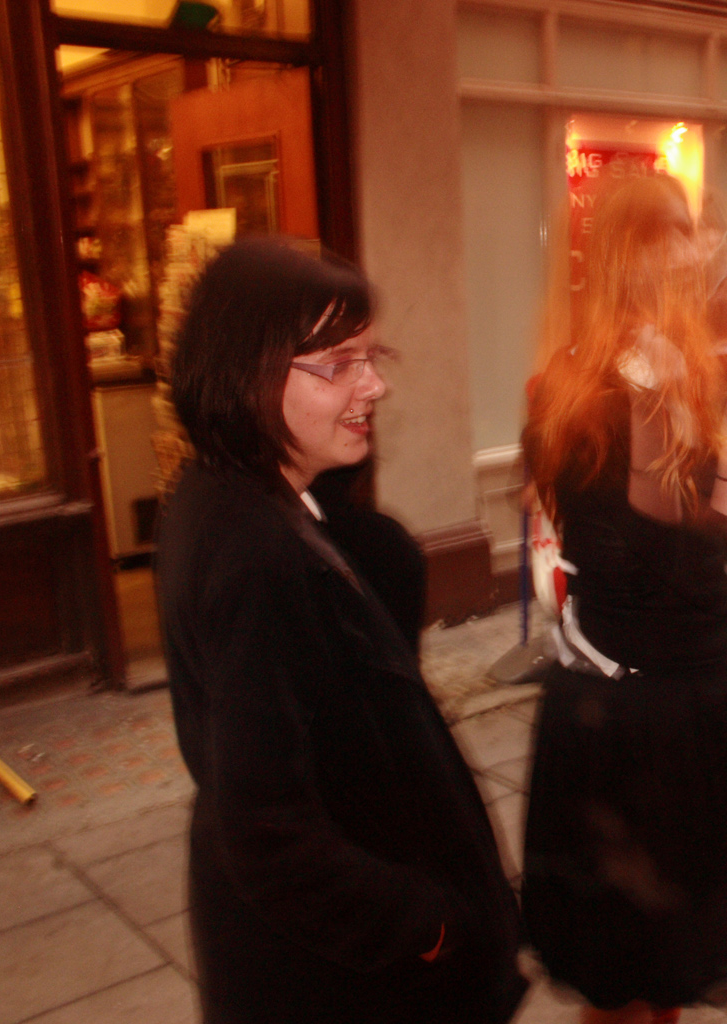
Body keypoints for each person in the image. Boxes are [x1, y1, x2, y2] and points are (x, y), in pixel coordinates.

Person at [155, 238, 527, 1024]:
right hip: (344, 978)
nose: (376, 384)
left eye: (372, 355)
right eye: (338, 364)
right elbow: (268, 832)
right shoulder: (254, 553)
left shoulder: (262, 502)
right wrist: (425, 925)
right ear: (246, 370)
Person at [520, 174, 727, 1024]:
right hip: (645, 717)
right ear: (628, 256)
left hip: (668, 696)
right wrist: (683, 425)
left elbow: (704, 536)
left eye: (692, 230)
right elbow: (655, 557)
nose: (692, 247)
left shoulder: (647, 370)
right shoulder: (606, 384)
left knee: (647, 975)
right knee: (636, 971)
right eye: (671, 232)